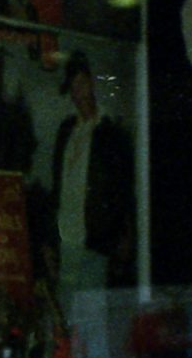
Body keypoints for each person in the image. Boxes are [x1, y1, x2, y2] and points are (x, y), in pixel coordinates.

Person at [50, 50, 135, 293]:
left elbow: (123, 189)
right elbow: (56, 185)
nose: (78, 92)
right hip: (65, 238)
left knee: (92, 312)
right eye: (73, 86)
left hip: (96, 240)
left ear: (91, 83)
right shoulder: (66, 130)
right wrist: (50, 239)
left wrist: (124, 235)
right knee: (65, 309)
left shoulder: (111, 132)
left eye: (82, 83)